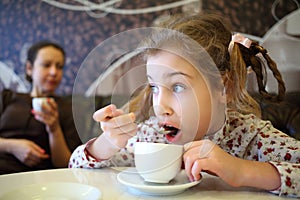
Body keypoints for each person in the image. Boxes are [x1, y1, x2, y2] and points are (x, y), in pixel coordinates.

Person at [69, 14, 299, 197]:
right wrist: (106, 144)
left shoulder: (252, 137)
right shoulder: (151, 137)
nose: (160, 107)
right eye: (154, 87)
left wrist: (242, 170)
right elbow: (75, 170)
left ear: (224, 87)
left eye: (178, 86)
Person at [0, 40, 82, 174]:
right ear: (29, 68)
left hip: (40, 177)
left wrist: (54, 129)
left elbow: (67, 164)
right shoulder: (7, 97)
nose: (54, 72)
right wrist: (12, 146)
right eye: (46, 65)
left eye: (59, 66)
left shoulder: (68, 108)